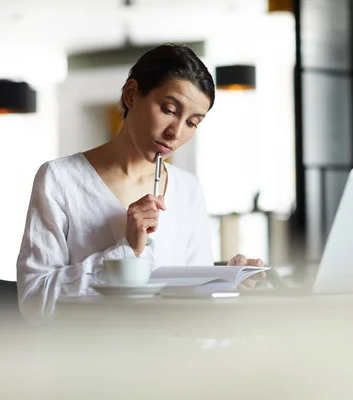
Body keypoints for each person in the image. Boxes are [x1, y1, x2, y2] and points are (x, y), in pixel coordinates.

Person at [16, 44, 264, 323]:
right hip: (90, 360)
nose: (176, 133)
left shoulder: (188, 189)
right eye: (169, 109)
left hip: (171, 358)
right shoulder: (60, 179)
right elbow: (34, 302)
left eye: (193, 123)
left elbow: (194, 309)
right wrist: (125, 251)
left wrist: (226, 280)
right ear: (131, 94)